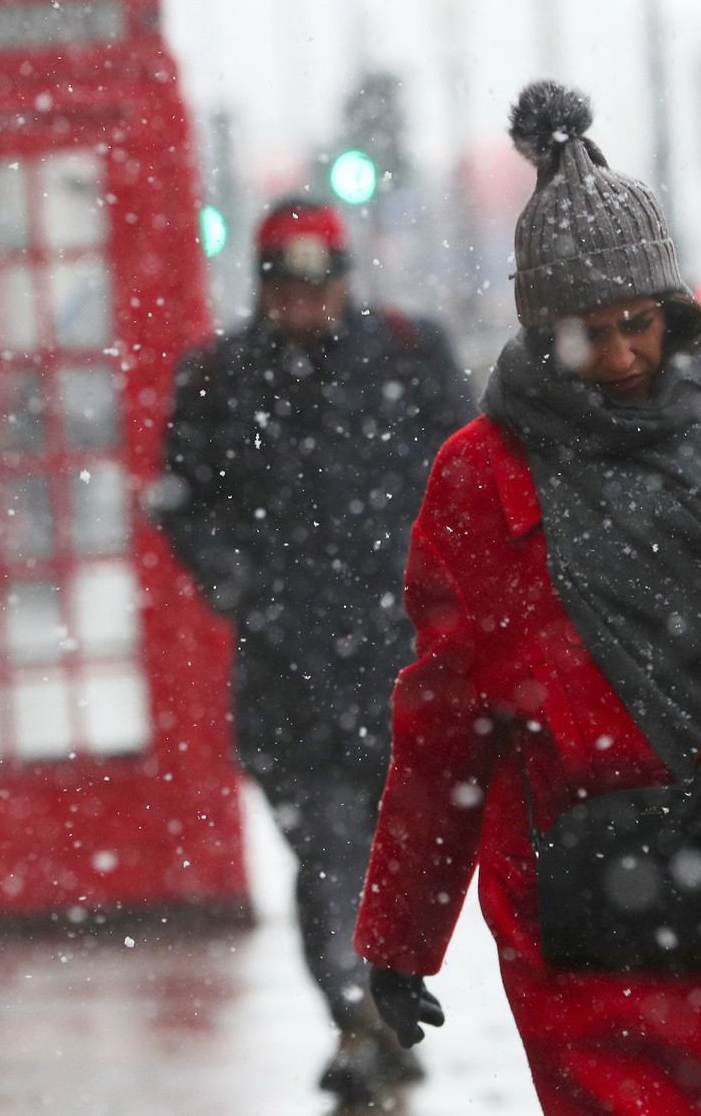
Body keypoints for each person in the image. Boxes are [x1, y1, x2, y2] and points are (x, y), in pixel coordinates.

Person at [354, 82, 701, 1115]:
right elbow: (443, 723)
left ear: (673, 310)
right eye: (583, 335)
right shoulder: (478, 477)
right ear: (537, 330)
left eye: (635, 326)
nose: (616, 357)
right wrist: (399, 938)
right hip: (589, 914)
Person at [149, 196, 474, 1106]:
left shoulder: (411, 354)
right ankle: (357, 1011)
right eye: (288, 288)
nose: (305, 302)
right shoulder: (219, 377)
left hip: (400, 658)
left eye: (320, 285)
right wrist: (234, 583)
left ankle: (383, 1005)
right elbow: (180, 497)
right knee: (327, 851)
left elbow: (473, 471)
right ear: (262, 289)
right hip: (288, 668)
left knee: (398, 855)